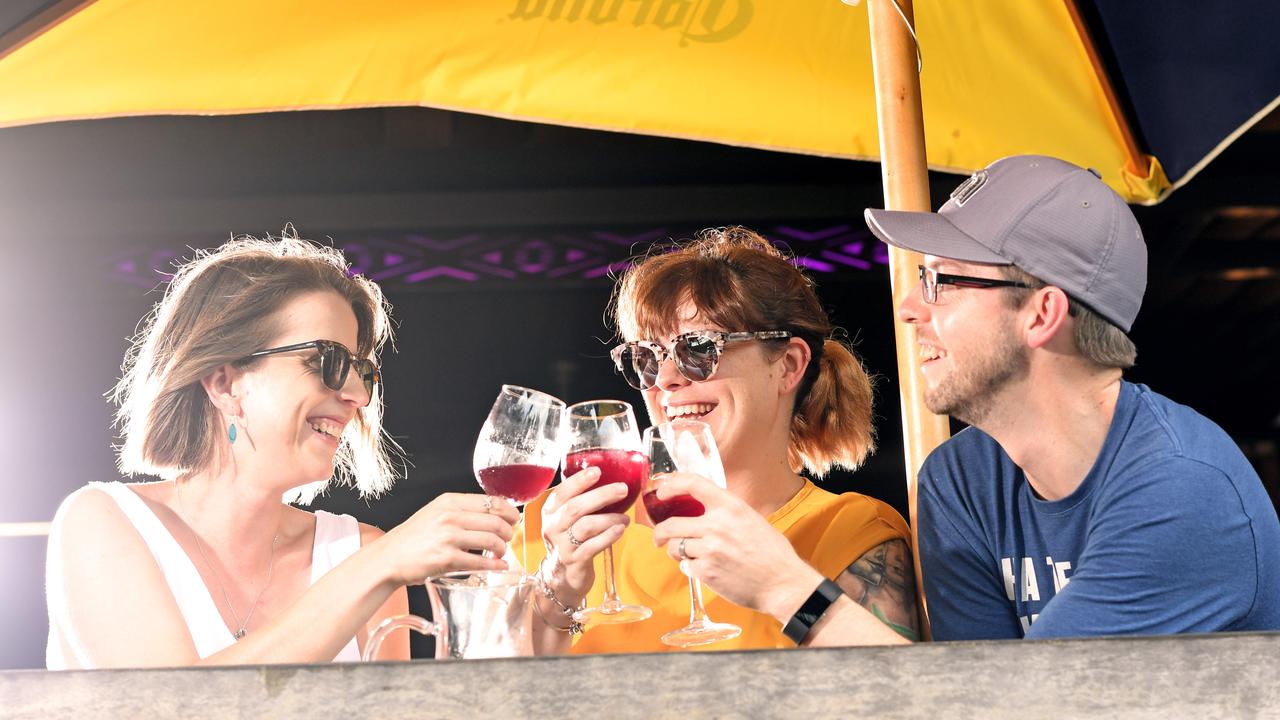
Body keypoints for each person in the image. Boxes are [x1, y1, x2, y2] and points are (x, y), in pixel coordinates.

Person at [45, 233, 519, 668]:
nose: (355, 393)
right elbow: (167, 709)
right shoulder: (102, 521)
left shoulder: (360, 552)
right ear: (225, 382)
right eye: (327, 362)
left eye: (361, 370)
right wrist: (379, 566)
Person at [862, 154, 1280, 639]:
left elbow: (1017, 706)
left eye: (941, 280)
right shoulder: (960, 482)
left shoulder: (1185, 488)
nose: (908, 308)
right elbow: (974, 690)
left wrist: (794, 595)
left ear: (1042, 315)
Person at [519, 227, 917, 654]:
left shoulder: (851, 532)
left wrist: (784, 588)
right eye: (647, 358)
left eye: (699, 350)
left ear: (788, 365)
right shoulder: (563, 524)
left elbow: (901, 696)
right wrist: (555, 592)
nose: (667, 381)